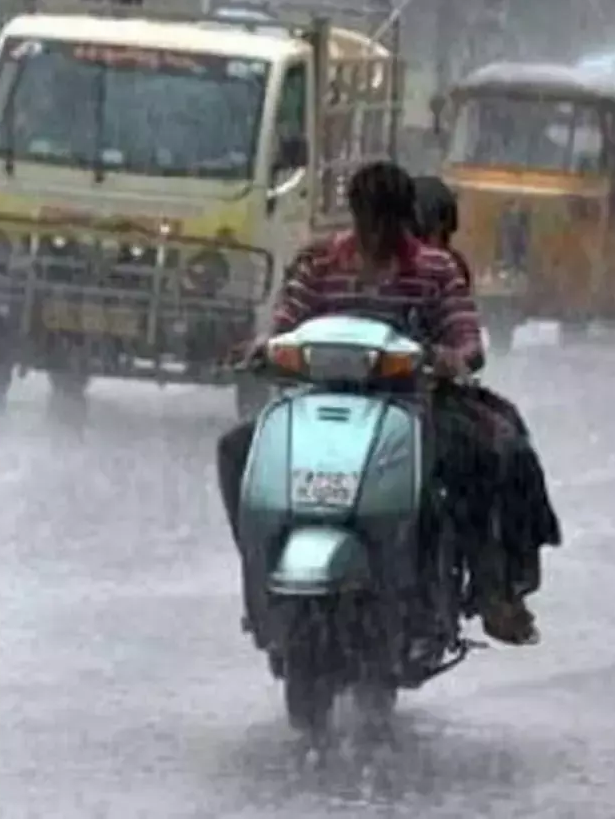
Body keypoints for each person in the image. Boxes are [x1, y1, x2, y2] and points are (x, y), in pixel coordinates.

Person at [216, 161, 549, 645]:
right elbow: (287, 321)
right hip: (319, 403)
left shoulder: (435, 271)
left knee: (480, 459)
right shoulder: (322, 264)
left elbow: (465, 336)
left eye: (385, 221)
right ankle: (260, 576)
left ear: (402, 218)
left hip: (411, 407)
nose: (374, 234)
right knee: (235, 451)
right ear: (354, 214)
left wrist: (456, 357)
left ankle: (490, 589)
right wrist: (261, 346)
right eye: (366, 219)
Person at [412, 175, 561, 597]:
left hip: (426, 397)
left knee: (501, 445)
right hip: (356, 397)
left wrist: (449, 358)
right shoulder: (349, 265)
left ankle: (499, 582)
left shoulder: (445, 271)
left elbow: (465, 337)